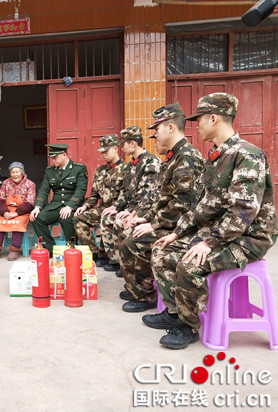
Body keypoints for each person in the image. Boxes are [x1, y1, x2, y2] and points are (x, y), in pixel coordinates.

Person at [147, 93, 278, 349]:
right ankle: (175, 313)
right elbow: (203, 206)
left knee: (190, 263)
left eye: (200, 120)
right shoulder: (216, 157)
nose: (196, 125)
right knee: (162, 251)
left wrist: (208, 242)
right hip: (219, 233)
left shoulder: (247, 155)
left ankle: (188, 326)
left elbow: (243, 211)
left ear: (214, 118)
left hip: (247, 237)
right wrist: (177, 233)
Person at [118, 104, 204, 313]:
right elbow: (161, 199)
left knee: (135, 241)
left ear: (171, 127)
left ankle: (146, 296)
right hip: (171, 221)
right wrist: (144, 218)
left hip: (182, 226)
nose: (155, 135)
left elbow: (182, 205)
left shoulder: (187, 157)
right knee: (130, 230)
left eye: (157, 129)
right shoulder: (174, 157)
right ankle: (140, 288)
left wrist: (153, 224)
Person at [100, 126, 160, 274]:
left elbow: (148, 194)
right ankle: (117, 261)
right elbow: (124, 192)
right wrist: (117, 207)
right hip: (131, 207)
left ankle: (130, 265)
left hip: (144, 210)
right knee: (108, 217)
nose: (121, 148)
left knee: (120, 222)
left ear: (133, 144)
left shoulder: (150, 161)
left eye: (123, 144)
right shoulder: (130, 165)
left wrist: (132, 212)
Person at [73, 134, 127, 267]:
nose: (103, 154)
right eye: (101, 151)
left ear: (115, 148)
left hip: (119, 209)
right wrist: (85, 206)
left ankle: (113, 259)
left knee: (107, 219)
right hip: (102, 208)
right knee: (78, 218)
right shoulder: (100, 171)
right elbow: (94, 195)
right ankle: (95, 253)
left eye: (106, 151)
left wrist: (117, 208)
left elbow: (128, 194)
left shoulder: (126, 169)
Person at [30, 144, 88, 254]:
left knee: (66, 219)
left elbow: (80, 190)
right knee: (37, 218)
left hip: (72, 205)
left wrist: (70, 206)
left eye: (55, 157)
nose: (53, 160)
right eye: (52, 158)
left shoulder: (79, 168)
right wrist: (37, 207)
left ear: (64, 155)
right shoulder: (50, 170)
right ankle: (51, 249)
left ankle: (71, 249)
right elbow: (44, 189)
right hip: (55, 205)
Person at [0, 161, 36, 261]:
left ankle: (14, 250)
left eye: (17, 172)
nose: (15, 174)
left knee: (17, 223)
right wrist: (4, 212)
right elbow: (0, 199)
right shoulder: (6, 183)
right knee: (0, 221)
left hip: (22, 211)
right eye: (13, 172)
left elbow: (30, 202)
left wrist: (16, 213)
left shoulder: (30, 184)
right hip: (7, 210)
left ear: (22, 172)